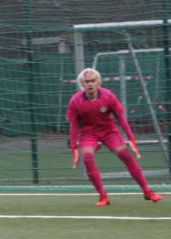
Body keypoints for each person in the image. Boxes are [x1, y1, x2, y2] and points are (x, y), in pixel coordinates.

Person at [66, 68, 162, 206]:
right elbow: (74, 125)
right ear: (82, 84)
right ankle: (103, 196)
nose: (90, 84)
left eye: (93, 81)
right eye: (87, 82)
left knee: (124, 154)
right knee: (87, 158)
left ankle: (147, 191)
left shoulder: (108, 96)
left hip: (108, 131)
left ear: (98, 82)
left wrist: (131, 139)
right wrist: (74, 148)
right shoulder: (76, 101)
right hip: (88, 133)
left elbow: (121, 118)